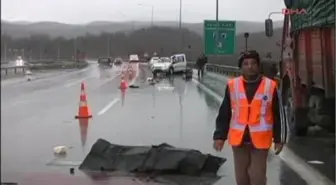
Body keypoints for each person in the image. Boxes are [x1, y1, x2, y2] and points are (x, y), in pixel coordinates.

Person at [213, 50, 288, 185]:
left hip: (260, 141)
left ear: (258, 66)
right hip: (239, 140)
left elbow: (279, 114)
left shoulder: (270, 86)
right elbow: (224, 113)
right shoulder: (232, 85)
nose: (250, 66)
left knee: (257, 177)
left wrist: (279, 139)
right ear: (241, 67)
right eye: (246, 63)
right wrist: (219, 136)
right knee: (242, 179)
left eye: (253, 63)